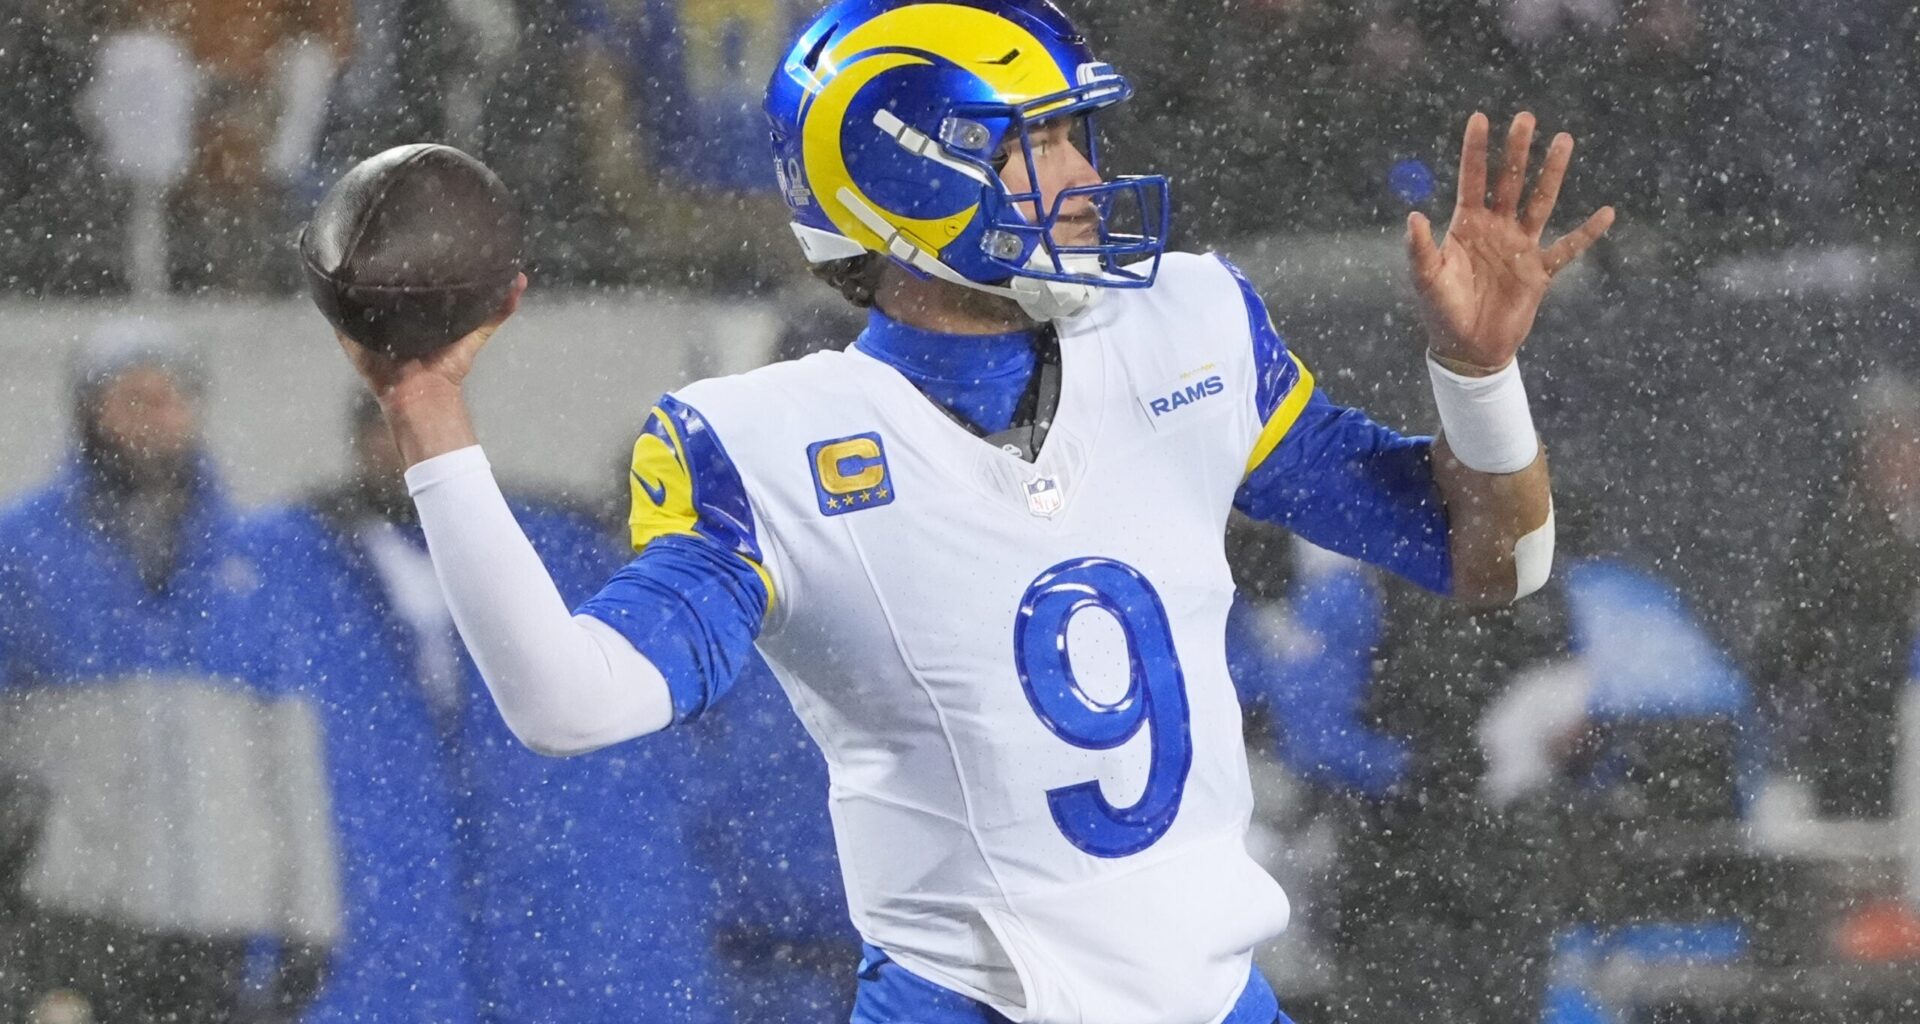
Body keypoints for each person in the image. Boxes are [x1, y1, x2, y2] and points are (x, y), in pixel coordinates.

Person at [324, 1, 1613, 1020]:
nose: (1080, 173)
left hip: (1216, 998)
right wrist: (432, 418)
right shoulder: (764, 445)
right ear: (910, 174)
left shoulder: (1184, 325)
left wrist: (1479, 376)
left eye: (1071, 133)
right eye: (1035, 141)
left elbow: (1491, 556)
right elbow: (568, 699)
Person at [250, 394, 724, 1023]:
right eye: (385, 433)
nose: (398, 452)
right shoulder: (296, 562)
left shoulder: (551, 549)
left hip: (547, 925)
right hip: (410, 930)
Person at [0, 322, 338, 1024]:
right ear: (88, 411)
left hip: (214, 918)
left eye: (169, 398)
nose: (153, 419)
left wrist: (310, 923)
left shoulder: (250, 559)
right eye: (132, 398)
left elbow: (289, 758)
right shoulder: (23, 549)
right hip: (69, 913)